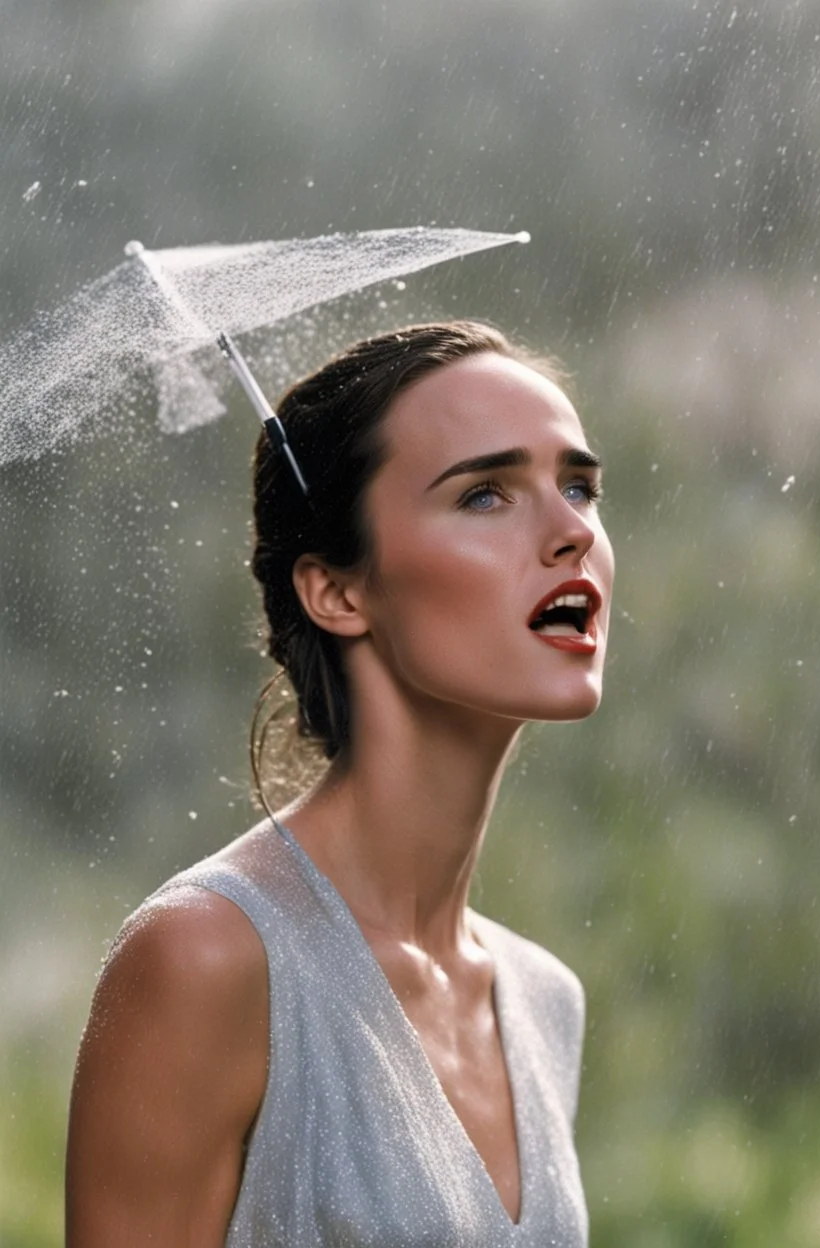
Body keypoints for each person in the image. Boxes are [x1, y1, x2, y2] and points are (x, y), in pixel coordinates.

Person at [66, 320, 614, 1247]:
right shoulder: (205, 961)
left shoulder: (542, 1001)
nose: (570, 533)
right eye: (486, 494)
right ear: (337, 591)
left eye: (578, 486)